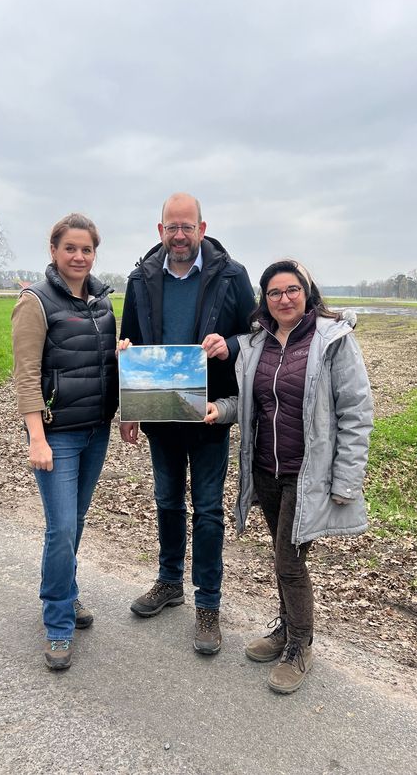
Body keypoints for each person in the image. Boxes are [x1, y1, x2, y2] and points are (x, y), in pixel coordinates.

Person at [204, 258, 373, 692]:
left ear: (307, 292)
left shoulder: (333, 339)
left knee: (289, 563)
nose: (283, 299)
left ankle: (300, 645)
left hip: (308, 474)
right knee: (284, 562)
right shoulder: (259, 342)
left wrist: (346, 479)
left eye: (292, 290)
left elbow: (356, 412)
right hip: (265, 469)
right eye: (274, 292)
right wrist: (218, 410)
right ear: (265, 299)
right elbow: (248, 403)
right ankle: (285, 630)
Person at [119, 192, 254, 655]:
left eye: (187, 226)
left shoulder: (232, 276)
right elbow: (130, 342)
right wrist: (132, 407)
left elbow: (253, 333)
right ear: (160, 231)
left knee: (209, 511)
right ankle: (169, 581)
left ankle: (209, 607)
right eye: (171, 227)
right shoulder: (140, 278)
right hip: (160, 413)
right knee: (167, 502)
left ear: (202, 227)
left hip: (210, 412)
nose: (179, 235)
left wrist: (229, 346)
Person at [11, 213, 118, 670]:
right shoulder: (35, 302)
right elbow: (26, 375)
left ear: (95, 254)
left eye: (87, 249)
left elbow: (100, 365)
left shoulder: (103, 303)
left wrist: (123, 369)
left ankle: (66, 592)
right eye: (70, 248)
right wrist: (37, 437)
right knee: (61, 528)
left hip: (96, 429)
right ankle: (57, 621)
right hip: (57, 435)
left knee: (75, 521)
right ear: (53, 251)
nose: (79, 256)